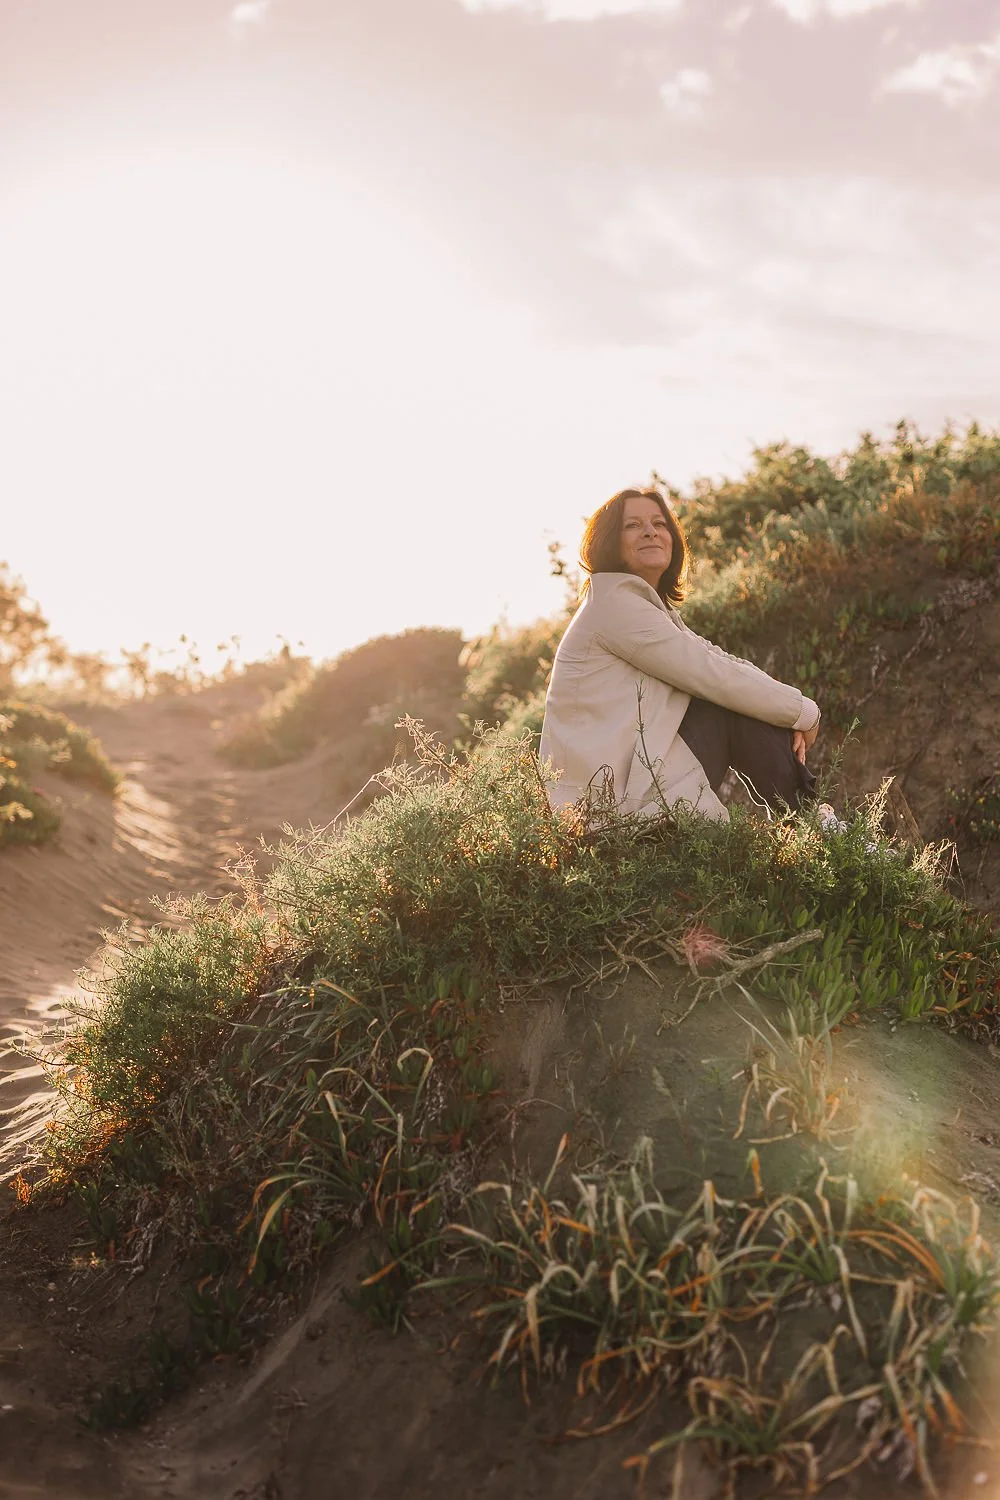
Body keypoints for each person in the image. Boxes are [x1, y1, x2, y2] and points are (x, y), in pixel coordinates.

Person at [539, 486, 821, 822]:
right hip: (608, 809)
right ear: (609, 541)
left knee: (736, 700)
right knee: (725, 706)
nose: (650, 531)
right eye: (633, 525)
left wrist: (794, 709)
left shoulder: (641, 606)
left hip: (627, 787)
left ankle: (809, 824)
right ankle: (813, 826)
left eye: (659, 523)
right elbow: (711, 674)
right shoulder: (615, 606)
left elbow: (718, 659)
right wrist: (804, 713)